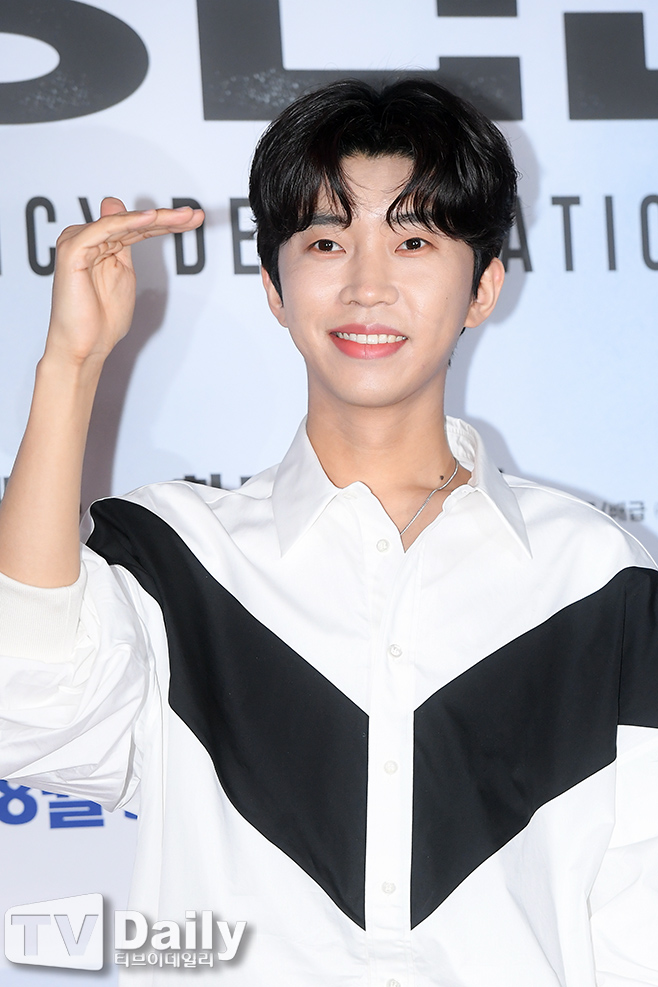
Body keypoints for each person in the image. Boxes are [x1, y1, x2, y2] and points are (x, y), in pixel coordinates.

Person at [0, 78, 656, 986]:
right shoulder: (179, 555)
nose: (367, 285)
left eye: (414, 240)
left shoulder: (595, 576)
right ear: (274, 287)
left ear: (483, 288)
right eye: (326, 242)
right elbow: (27, 708)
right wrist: (71, 363)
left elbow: (639, 916)